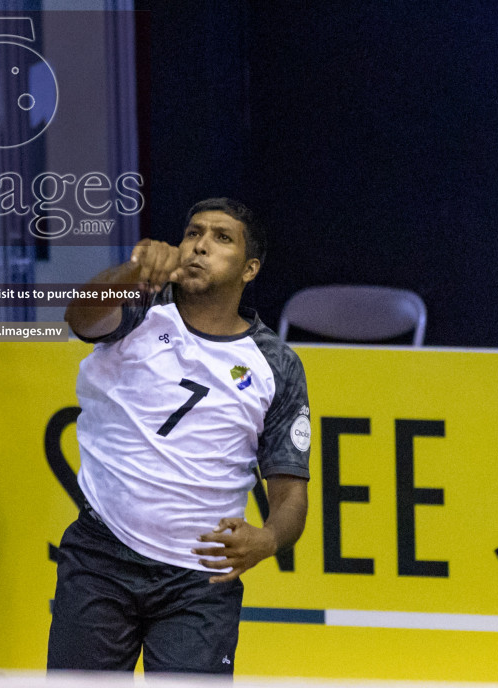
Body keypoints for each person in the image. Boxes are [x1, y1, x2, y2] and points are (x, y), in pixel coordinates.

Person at [48, 197, 311, 676]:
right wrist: (131, 270)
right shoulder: (139, 308)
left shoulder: (275, 364)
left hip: (200, 584)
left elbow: (291, 493)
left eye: (221, 238)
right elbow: (80, 318)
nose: (200, 245)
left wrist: (269, 538)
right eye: (193, 233)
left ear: (249, 269)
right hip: (101, 557)